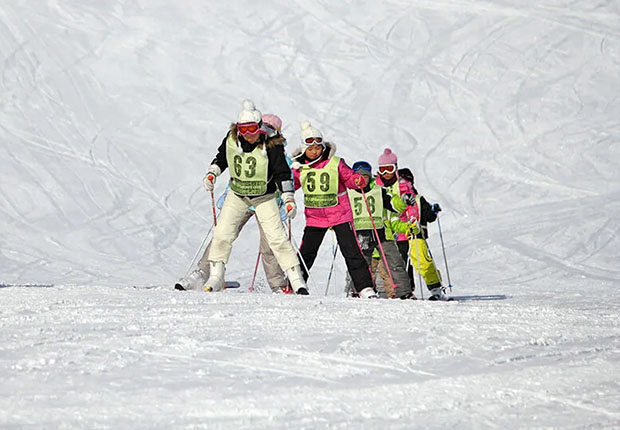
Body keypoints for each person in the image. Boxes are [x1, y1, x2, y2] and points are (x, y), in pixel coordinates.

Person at [194, 100, 308, 294]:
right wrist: (213, 172)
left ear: (260, 127)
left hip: (265, 197)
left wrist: (288, 198)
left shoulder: (272, 145)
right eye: (244, 130)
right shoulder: (231, 139)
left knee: (277, 239)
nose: (249, 135)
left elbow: (283, 173)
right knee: (222, 233)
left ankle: (296, 279)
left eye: (253, 129)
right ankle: (215, 275)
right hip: (237, 196)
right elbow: (222, 158)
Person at [175, 114, 292, 294]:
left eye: (271, 128)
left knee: (271, 245)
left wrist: (286, 203)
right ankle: (203, 272)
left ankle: (278, 285)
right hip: (241, 199)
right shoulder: (242, 146)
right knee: (222, 235)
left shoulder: (278, 153)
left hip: (266, 201)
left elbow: (288, 180)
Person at [291, 121, 377, 298]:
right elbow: (292, 184)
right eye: (310, 148)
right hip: (315, 217)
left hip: (340, 214)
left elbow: (349, 178)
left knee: (351, 250)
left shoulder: (335, 163)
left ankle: (365, 287)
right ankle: (295, 284)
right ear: (303, 149)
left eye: (318, 147)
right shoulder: (300, 168)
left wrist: (358, 181)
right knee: (307, 252)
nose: (315, 151)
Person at [344, 161, 414, 299]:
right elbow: (339, 211)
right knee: (360, 263)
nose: (361, 179)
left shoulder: (378, 190)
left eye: (365, 176)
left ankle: (404, 291)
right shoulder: (348, 193)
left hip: (379, 231)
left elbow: (393, 204)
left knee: (394, 261)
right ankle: (356, 290)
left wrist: (403, 200)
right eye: (358, 176)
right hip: (359, 233)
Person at [395, 167, 451, 301]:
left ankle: (428, 289)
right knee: (411, 263)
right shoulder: (404, 199)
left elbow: (427, 215)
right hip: (407, 234)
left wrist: (432, 211)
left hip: (409, 235)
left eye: (405, 180)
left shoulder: (412, 198)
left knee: (414, 262)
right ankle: (414, 290)